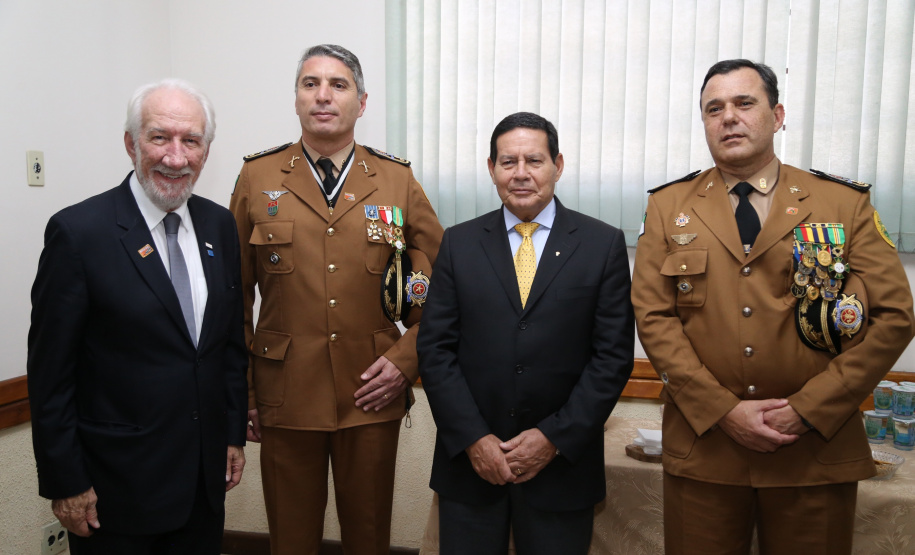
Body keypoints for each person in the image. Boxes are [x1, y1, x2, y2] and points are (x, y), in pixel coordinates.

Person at [632, 59, 915, 555]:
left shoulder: (840, 203)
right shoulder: (667, 206)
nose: (728, 118)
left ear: (777, 114)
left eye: (745, 103)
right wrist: (723, 411)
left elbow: (894, 315)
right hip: (707, 449)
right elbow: (654, 318)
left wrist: (807, 410)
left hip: (812, 448)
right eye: (713, 109)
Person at [229, 44, 443, 555]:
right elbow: (230, 298)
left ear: (361, 102)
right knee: (291, 540)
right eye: (311, 84)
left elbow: (443, 288)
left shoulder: (396, 180)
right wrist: (245, 394)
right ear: (297, 99)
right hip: (284, 394)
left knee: (368, 537)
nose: (323, 96)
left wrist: (406, 360)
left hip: (371, 388)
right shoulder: (258, 178)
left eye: (338, 84)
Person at [27, 79, 249, 555]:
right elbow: (51, 375)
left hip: (202, 487)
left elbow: (228, 343)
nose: (175, 157)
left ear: (206, 151)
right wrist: (66, 481)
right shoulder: (79, 233)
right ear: (131, 143)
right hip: (115, 491)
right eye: (159, 137)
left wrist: (231, 435)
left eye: (190, 140)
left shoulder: (219, 226)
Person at [417, 112, 635, 554]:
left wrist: (552, 439)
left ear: (558, 164)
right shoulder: (458, 243)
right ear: (491, 168)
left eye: (533, 160)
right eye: (507, 161)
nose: (520, 174)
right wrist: (474, 439)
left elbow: (611, 357)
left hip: (561, 471)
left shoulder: (601, 244)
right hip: (472, 467)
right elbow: (435, 349)